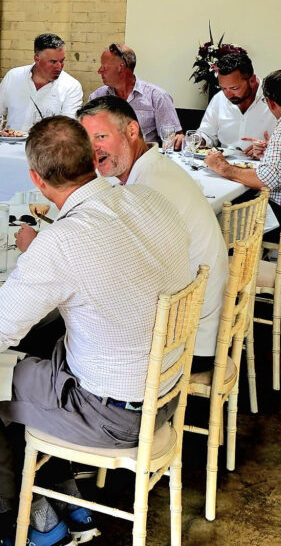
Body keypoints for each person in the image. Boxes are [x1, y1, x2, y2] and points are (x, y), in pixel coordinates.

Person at [0, 116, 191, 546]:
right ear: (93, 158)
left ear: (36, 180)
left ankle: (27, 520)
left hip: (113, 416)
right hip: (167, 392)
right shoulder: (149, 199)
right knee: (37, 346)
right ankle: (64, 493)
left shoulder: (62, 242)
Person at [77, 95, 229, 372]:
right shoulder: (155, 168)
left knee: (76, 328)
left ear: (132, 131)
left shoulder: (149, 187)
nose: (93, 148)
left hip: (188, 343)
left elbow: (123, 278)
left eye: (101, 136)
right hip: (198, 323)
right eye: (87, 139)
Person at [206, 69, 281, 243]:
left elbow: (266, 181)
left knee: (220, 220)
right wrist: (271, 152)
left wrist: (222, 167)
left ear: (270, 103)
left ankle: (235, 260)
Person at [88, 43, 181, 146]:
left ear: (120, 68)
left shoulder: (157, 96)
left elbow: (172, 138)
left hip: (144, 155)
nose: (99, 71)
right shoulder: (97, 97)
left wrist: (177, 139)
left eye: (104, 67)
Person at [0, 33, 83, 132]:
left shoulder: (71, 86)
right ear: (37, 59)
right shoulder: (14, 76)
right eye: (53, 62)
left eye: (62, 61)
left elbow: (68, 128)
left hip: (46, 141)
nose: (59, 67)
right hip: (10, 140)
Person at [196, 51, 277, 159]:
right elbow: (207, 134)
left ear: (252, 80)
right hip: (224, 164)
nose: (228, 95)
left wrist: (269, 148)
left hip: (263, 165)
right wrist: (195, 140)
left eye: (234, 88)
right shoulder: (219, 99)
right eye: (223, 88)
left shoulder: (275, 98)